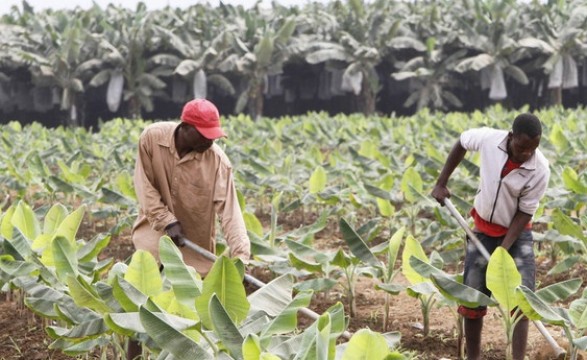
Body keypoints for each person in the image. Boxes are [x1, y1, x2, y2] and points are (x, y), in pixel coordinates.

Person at [128, 98, 251, 359]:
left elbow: (230, 213)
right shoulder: (151, 139)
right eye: (205, 135)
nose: (211, 141)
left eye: (214, 135)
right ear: (186, 127)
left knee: (187, 321)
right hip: (152, 240)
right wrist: (166, 220)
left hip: (193, 252)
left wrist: (240, 257)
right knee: (140, 312)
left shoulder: (218, 162)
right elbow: (145, 188)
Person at [431, 113, 550, 360]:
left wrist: (504, 249)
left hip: (517, 234)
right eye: (522, 147)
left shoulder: (540, 169)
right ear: (511, 137)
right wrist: (442, 182)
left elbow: (525, 212)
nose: (526, 153)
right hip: (483, 230)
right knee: (473, 298)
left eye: (532, 149)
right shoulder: (488, 140)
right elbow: (462, 142)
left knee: (522, 298)